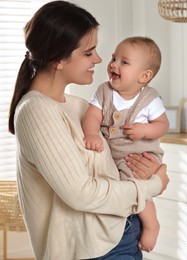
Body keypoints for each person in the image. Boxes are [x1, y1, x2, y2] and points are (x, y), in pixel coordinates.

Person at [7, 1, 169, 260]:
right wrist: (152, 185)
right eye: (88, 52)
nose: (99, 59)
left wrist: (149, 168)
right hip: (94, 250)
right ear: (59, 59)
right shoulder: (36, 111)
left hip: (119, 234)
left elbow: (116, 161)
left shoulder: (79, 107)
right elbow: (82, 194)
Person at [81, 36, 169, 252]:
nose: (113, 64)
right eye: (114, 58)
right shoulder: (104, 91)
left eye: (124, 62)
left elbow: (162, 125)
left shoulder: (149, 98)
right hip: (114, 155)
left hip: (141, 154)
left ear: (144, 76)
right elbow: (92, 116)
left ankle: (151, 225)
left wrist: (145, 130)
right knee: (120, 184)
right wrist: (91, 133)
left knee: (135, 185)